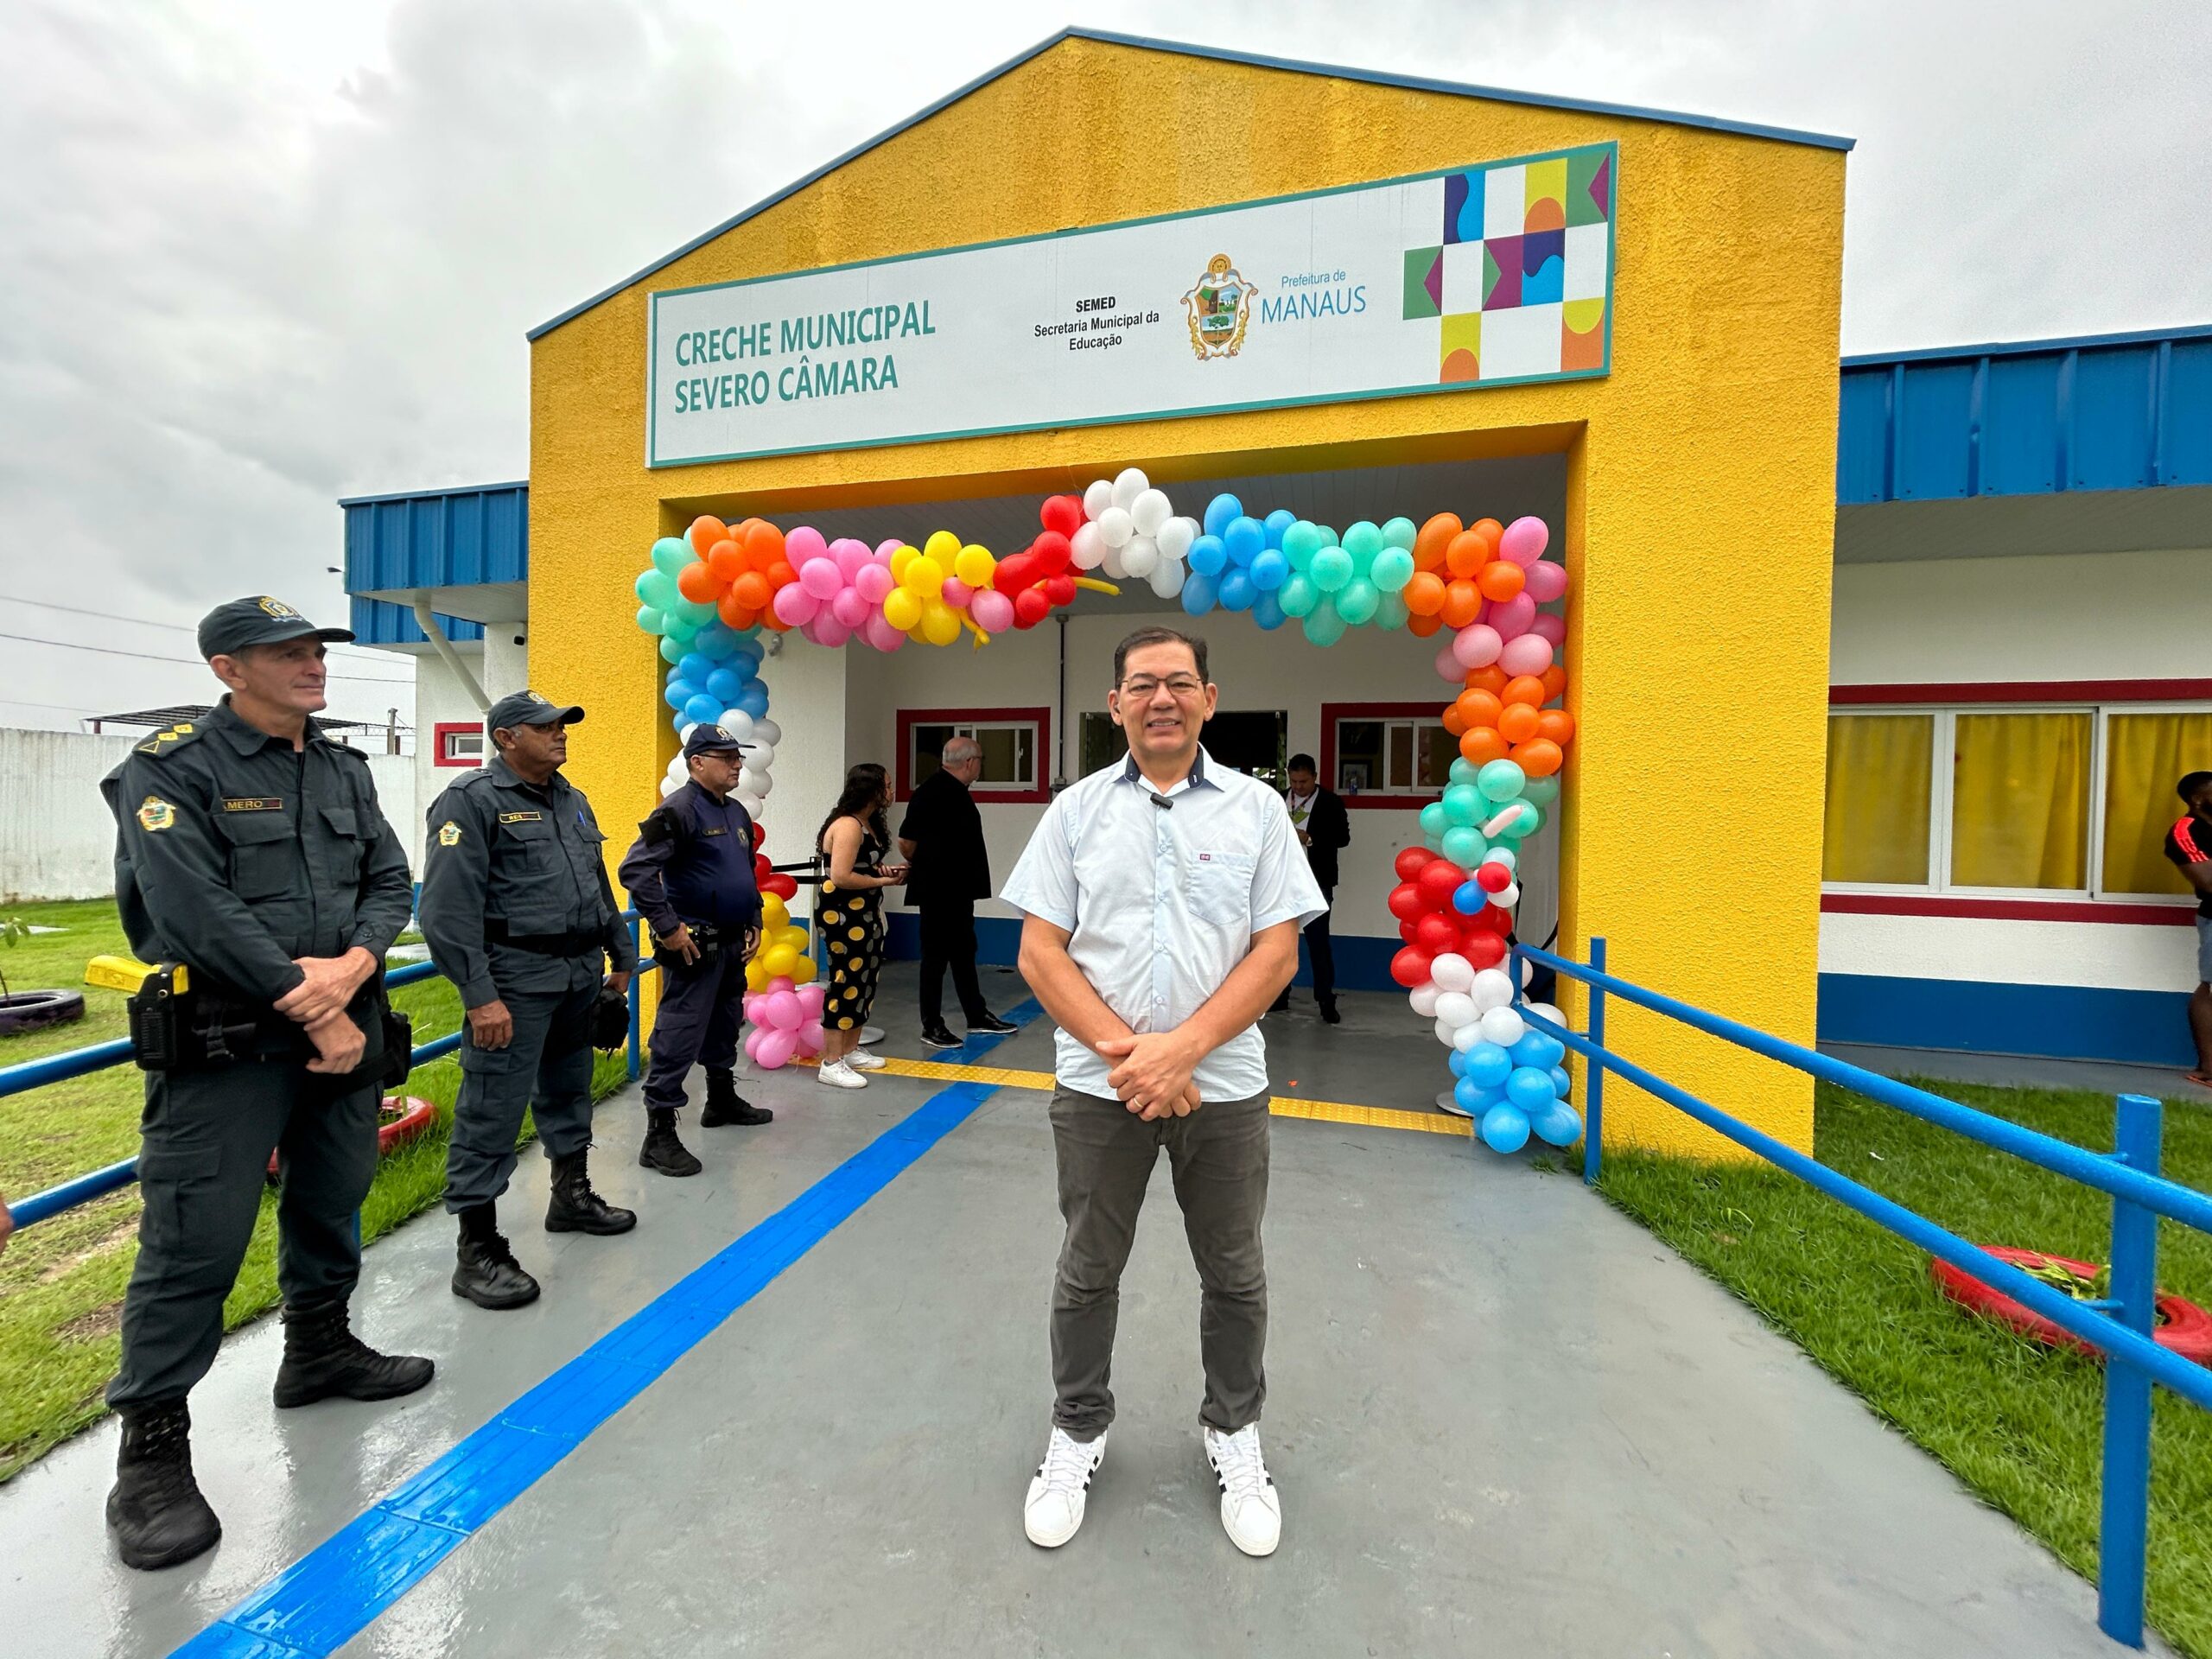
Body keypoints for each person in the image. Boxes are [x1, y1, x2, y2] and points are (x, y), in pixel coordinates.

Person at [96, 596, 433, 1571]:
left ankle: (319, 1348)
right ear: (226, 669)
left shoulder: (341, 764)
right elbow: (188, 903)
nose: (310, 664)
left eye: (314, 649)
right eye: (283, 652)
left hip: (343, 1023)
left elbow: (389, 880)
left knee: (334, 1198)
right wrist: (311, 999)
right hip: (227, 1041)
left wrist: (356, 970)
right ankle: (151, 1448)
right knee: (195, 1237)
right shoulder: (171, 767)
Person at [1001, 626, 1324, 1559]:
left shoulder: (1258, 811)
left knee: (1234, 1271)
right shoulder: (1073, 811)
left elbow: (1276, 950)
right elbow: (1039, 950)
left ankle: (1233, 1431)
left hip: (1221, 1091)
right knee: (1087, 1266)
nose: (1162, 699)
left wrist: (1183, 1050)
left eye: (1179, 682)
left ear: (1209, 699)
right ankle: (1077, 1429)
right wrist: (1131, 1056)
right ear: (1116, 705)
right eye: (1142, 684)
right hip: (1098, 1090)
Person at [420, 690, 639, 1312]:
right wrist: (478, 995)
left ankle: (570, 1198)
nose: (560, 734)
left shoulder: (572, 799)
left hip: (576, 973)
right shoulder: (471, 800)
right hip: (512, 980)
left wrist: (620, 954)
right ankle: (478, 1249)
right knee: (491, 1109)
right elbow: (443, 909)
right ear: (506, 738)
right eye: (545, 727)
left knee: (570, 1091)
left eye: (564, 724)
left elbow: (597, 883)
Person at [618, 723, 772, 1139]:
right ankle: (660, 1133)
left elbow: (743, 870)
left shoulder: (734, 810)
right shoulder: (677, 810)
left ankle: (720, 1100)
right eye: (727, 758)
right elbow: (635, 871)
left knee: (725, 1025)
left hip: (731, 941)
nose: (737, 764)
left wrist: (754, 916)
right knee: (679, 1033)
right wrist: (668, 928)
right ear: (697, 763)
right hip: (693, 946)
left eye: (738, 757)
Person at [898, 736, 1018, 1048]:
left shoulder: (958, 793)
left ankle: (976, 1015)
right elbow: (906, 842)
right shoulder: (930, 792)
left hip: (959, 891)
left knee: (965, 953)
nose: (980, 765)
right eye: (980, 759)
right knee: (935, 958)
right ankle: (932, 1025)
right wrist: (929, 866)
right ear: (969, 762)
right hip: (939, 891)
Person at [813, 764, 907, 1089]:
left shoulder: (868, 824)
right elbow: (841, 876)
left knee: (865, 978)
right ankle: (831, 1060)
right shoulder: (849, 825)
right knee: (846, 979)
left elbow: (861, 864)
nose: (892, 792)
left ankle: (851, 1049)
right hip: (843, 913)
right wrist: (882, 880)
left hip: (865, 911)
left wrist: (884, 872)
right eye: (888, 786)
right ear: (871, 790)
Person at [1268, 752, 1351, 1024]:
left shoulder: (1330, 802)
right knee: (1279, 941)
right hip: (1279, 881)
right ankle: (1279, 996)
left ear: (1314, 777)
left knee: (1318, 943)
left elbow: (1342, 837)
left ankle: (1326, 1000)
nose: (1298, 787)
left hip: (1317, 881)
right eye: (1294, 782)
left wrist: (1310, 838)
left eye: (1303, 782)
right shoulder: (1277, 799)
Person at [2164, 769, 2212, 1088]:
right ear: (2197, 799)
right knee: (2210, 987)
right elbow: (2208, 880)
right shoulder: (2186, 831)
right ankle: (2209, 1068)